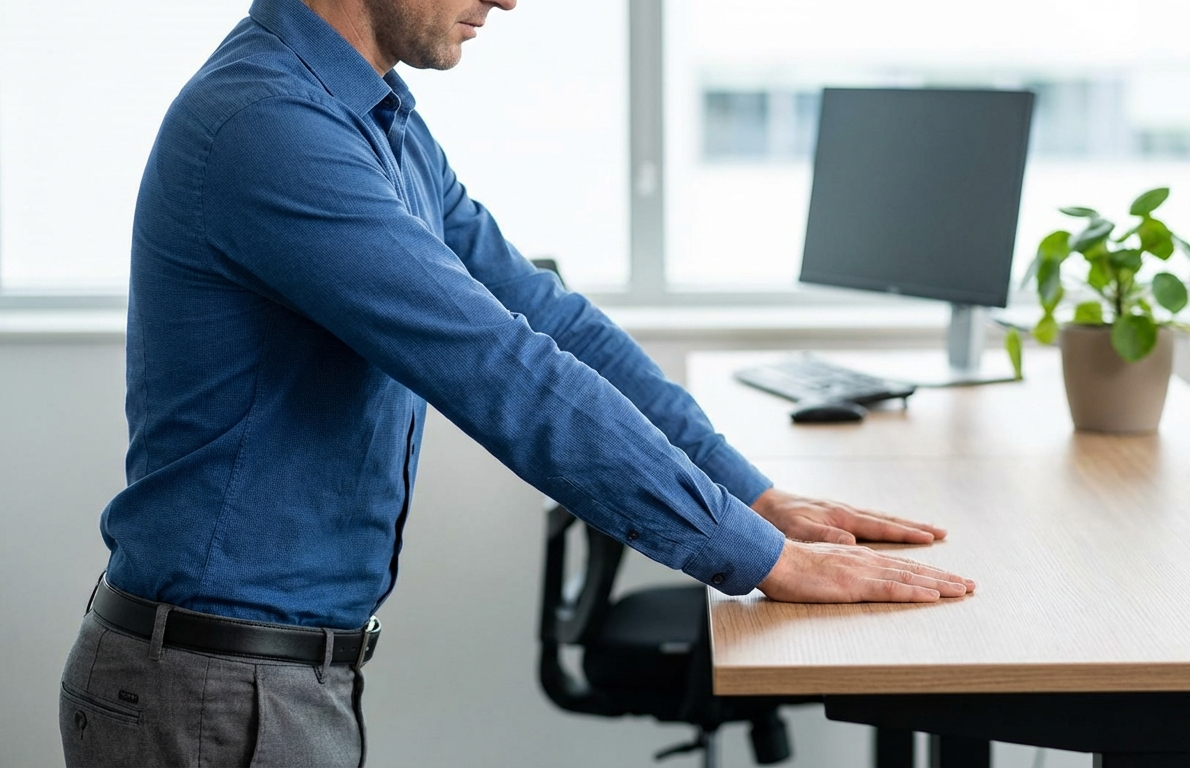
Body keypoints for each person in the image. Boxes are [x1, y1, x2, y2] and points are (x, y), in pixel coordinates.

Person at [57, 0, 976, 765]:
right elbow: (504, 371)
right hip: (213, 696)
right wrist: (765, 562)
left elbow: (547, 319)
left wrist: (757, 497)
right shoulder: (267, 127)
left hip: (266, 681)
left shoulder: (375, 121)